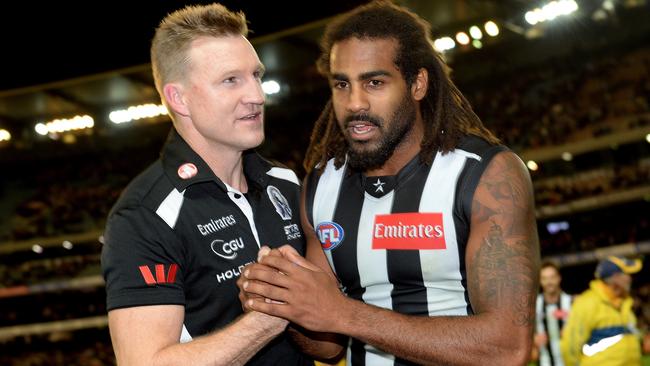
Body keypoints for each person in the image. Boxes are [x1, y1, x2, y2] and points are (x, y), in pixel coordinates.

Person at [237, 1, 541, 365]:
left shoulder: (485, 176)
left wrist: (344, 313)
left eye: (375, 82)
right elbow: (329, 346)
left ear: (417, 84)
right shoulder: (321, 185)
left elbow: (507, 349)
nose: (355, 103)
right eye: (341, 84)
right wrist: (281, 301)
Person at [100, 4, 311, 365]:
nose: (257, 96)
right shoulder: (146, 215)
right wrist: (267, 318)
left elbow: (329, 345)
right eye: (231, 80)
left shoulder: (286, 183)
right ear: (178, 98)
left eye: (256, 75)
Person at [560, 256, 643, 366]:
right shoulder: (587, 303)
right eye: (627, 274)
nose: (630, 278)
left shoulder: (625, 303)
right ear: (615, 277)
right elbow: (570, 348)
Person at [532, 261, 573, 366]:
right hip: (545, 361)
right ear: (540, 281)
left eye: (552, 277)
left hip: (571, 361)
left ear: (559, 278)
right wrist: (533, 339)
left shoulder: (571, 302)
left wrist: (572, 332)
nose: (549, 282)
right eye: (544, 278)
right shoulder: (534, 305)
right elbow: (524, 331)